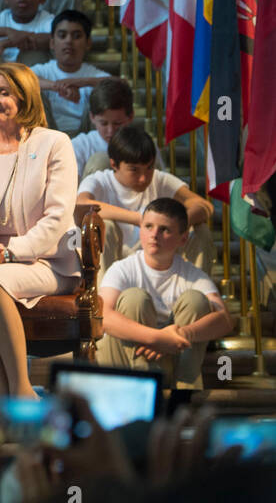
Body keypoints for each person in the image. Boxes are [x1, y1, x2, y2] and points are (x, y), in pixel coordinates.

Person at [0, 62, 80, 398]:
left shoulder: (54, 143)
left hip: (50, 261)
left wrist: (8, 253)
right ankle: (2, 393)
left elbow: (57, 216)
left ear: (24, 97)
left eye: (3, 93)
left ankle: (22, 390)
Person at [95, 198, 234, 389]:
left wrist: (183, 334)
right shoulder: (122, 269)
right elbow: (104, 316)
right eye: (148, 227)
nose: (154, 235)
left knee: (196, 301)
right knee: (134, 298)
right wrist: (157, 338)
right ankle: (141, 391)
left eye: (165, 230)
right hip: (123, 363)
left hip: (171, 359)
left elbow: (225, 319)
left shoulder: (193, 275)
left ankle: (185, 392)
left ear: (183, 239)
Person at [76, 126, 214, 276]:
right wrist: (139, 219)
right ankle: (102, 295)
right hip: (115, 263)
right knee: (103, 226)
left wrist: (175, 223)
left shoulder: (159, 179)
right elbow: (81, 205)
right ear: (114, 164)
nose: (143, 178)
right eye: (134, 170)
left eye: (149, 168)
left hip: (155, 258)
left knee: (200, 231)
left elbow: (204, 206)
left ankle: (198, 292)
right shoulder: (99, 181)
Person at [30, 10, 107, 133]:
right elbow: (17, 80)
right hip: (48, 136)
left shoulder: (94, 75)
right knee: (32, 92)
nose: (69, 41)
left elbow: (121, 85)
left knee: (104, 94)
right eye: (62, 35)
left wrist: (79, 82)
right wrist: (57, 86)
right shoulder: (43, 71)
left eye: (76, 36)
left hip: (86, 136)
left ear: (88, 43)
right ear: (52, 43)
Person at [70, 77, 141, 175]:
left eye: (117, 123)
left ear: (131, 117)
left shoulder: (143, 144)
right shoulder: (80, 146)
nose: (111, 131)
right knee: (101, 161)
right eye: (104, 123)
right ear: (92, 117)